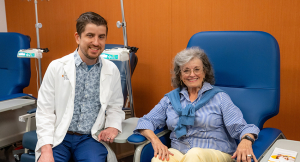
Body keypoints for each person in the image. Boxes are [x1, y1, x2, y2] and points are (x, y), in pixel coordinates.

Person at [134, 47, 260, 162]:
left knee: (194, 155)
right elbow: (146, 121)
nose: (192, 74)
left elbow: (242, 128)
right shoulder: (170, 99)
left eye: (197, 69)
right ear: (180, 75)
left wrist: (246, 141)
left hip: (217, 154)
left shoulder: (219, 97)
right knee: (159, 159)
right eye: (186, 70)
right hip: (180, 152)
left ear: (204, 72)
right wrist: (155, 141)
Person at [35, 12, 125, 162]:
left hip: (89, 139)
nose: (96, 42)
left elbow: (115, 106)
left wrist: (112, 127)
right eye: (90, 35)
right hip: (59, 137)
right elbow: (45, 112)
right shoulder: (57, 67)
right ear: (78, 37)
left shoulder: (111, 70)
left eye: (101, 37)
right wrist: (46, 150)